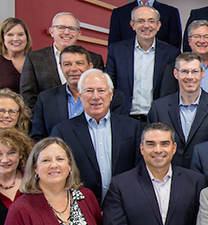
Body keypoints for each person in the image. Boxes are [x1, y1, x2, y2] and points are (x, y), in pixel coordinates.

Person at [50, 70, 143, 202]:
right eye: (89, 91)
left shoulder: (132, 127)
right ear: (80, 95)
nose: (95, 97)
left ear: (111, 95)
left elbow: (139, 170)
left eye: (101, 90)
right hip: (80, 207)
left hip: (124, 205)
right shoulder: (62, 131)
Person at [31, 45, 128, 140]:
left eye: (79, 63)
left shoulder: (113, 97)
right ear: (61, 68)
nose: (73, 69)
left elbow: (119, 135)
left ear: (90, 66)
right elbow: (37, 138)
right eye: (67, 64)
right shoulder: (46, 99)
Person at [105, 5, 181, 121]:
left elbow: (173, 89)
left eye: (151, 21)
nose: (146, 26)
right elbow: (109, 86)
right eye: (140, 21)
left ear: (158, 25)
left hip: (158, 119)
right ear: (132, 25)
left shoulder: (172, 54)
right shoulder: (117, 51)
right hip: (124, 118)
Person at [148, 52, 208, 168]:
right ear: (175, 74)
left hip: (205, 176)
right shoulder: (159, 108)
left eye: (195, 71)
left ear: (203, 73)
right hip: (169, 176)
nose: (190, 77)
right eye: (184, 71)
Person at [20, 12, 105, 109]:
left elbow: (100, 93)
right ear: (51, 31)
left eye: (72, 28)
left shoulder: (94, 59)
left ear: (79, 34)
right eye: (61, 27)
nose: (66, 32)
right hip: (47, 122)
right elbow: (27, 97)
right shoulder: (34, 59)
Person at [162, 20, 208, 97]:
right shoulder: (173, 68)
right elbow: (167, 101)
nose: (202, 41)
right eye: (197, 36)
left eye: (206, 36)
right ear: (189, 40)